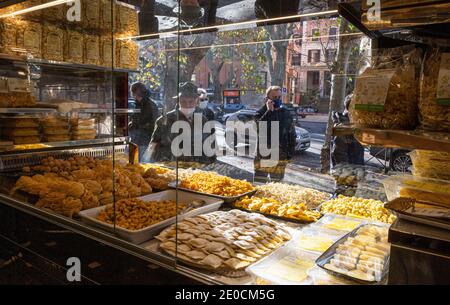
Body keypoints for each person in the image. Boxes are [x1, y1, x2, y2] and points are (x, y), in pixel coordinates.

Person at [148, 82, 216, 164]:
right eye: (183, 101)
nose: (187, 105)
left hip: (196, 169)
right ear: (178, 101)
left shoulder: (203, 120)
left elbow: (210, 147)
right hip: (170, 167)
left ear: (197, 101)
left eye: (191, 101)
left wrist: (211, 164)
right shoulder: (165, 120)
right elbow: (153, 145)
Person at [254, 86, 297, 182]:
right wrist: (269, 111)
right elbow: (259, 127)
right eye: (274, 97)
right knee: (260, 181)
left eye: (279, 97)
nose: (277, 100)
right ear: (267, 98)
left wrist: (290, 152)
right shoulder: (260, 112)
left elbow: (291, 133)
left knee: (277, 185)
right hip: (264, 155)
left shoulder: (285, 113)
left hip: (280, 155)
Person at [331, 94, 365, 167]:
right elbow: (339, 154)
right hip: (349, 173)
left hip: (356, 172)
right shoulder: (344, 127)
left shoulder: (354, 124)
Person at [128, 82, 159, 162]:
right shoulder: (141, 104)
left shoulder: (147, 105)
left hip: (144, 141)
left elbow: (153, 123)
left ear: (135, 93)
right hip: (139, 140)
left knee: (142, 164)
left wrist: (135, 126)